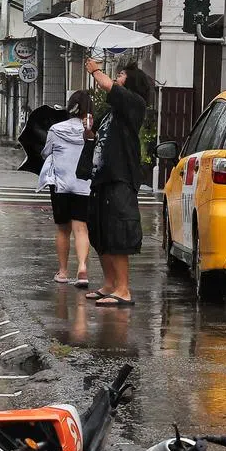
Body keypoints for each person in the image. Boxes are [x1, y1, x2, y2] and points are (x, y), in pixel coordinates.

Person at [83, 58, 151, 307]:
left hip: (120, 177)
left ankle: (123, 289)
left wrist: (95, 70)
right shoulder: (113, 111)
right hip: (102, 176)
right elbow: (98, 136)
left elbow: (108, 85)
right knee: (101, 231)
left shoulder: (135, 104)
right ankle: (110, 284)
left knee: (119, 232)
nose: (117, 77)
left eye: (121, 74)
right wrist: (90, 133)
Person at [37, 90, 93, 287]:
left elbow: (46, 153)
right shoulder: (92, 131)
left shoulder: (56, 129)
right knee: (81, 228)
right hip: (84, 185)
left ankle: (62, 272)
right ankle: (82, 269)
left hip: (61, 185)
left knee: (63, 229)